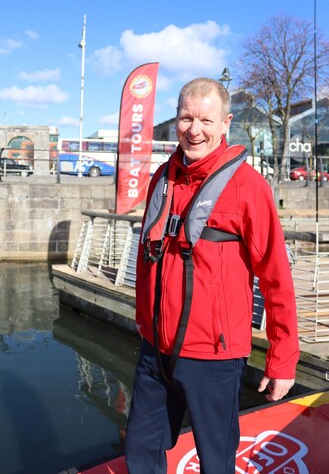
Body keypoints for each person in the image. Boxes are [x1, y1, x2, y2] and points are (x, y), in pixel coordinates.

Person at [125, 77, 299, 474]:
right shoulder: (162, 178)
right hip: (156, 352)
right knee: (140, 449)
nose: (195, 129)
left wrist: (282, 360)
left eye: (206, 119)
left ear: (226, 124)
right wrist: (143, 324)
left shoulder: (247, 188)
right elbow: (147, 258)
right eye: (186, 118)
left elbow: (276, 278)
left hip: (213, 357)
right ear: (176, 120)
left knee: (215, 461)